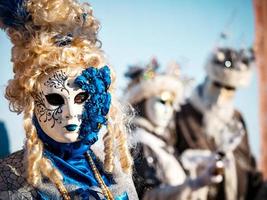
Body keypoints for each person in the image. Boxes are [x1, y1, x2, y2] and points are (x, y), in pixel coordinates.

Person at [0, 0, 138, 199]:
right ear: (30, 100)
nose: (71, 112)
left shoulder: (112, 168)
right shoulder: (9, 178)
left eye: (81, 97)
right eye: (56, 99)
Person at [125, 59, 223, 200]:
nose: (168, 110)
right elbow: (146, 195)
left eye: (171, 103)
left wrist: (198, 162)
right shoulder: (140, 143)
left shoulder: (158, 141)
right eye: (162, 102)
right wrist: (195, 184)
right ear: (144, 102)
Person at [175, 47, 263, 200]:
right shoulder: (182, 115)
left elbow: (250, 169)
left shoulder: (237, 119)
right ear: (207, 78)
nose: (222, 93)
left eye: (229, 88)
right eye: (217, 84)